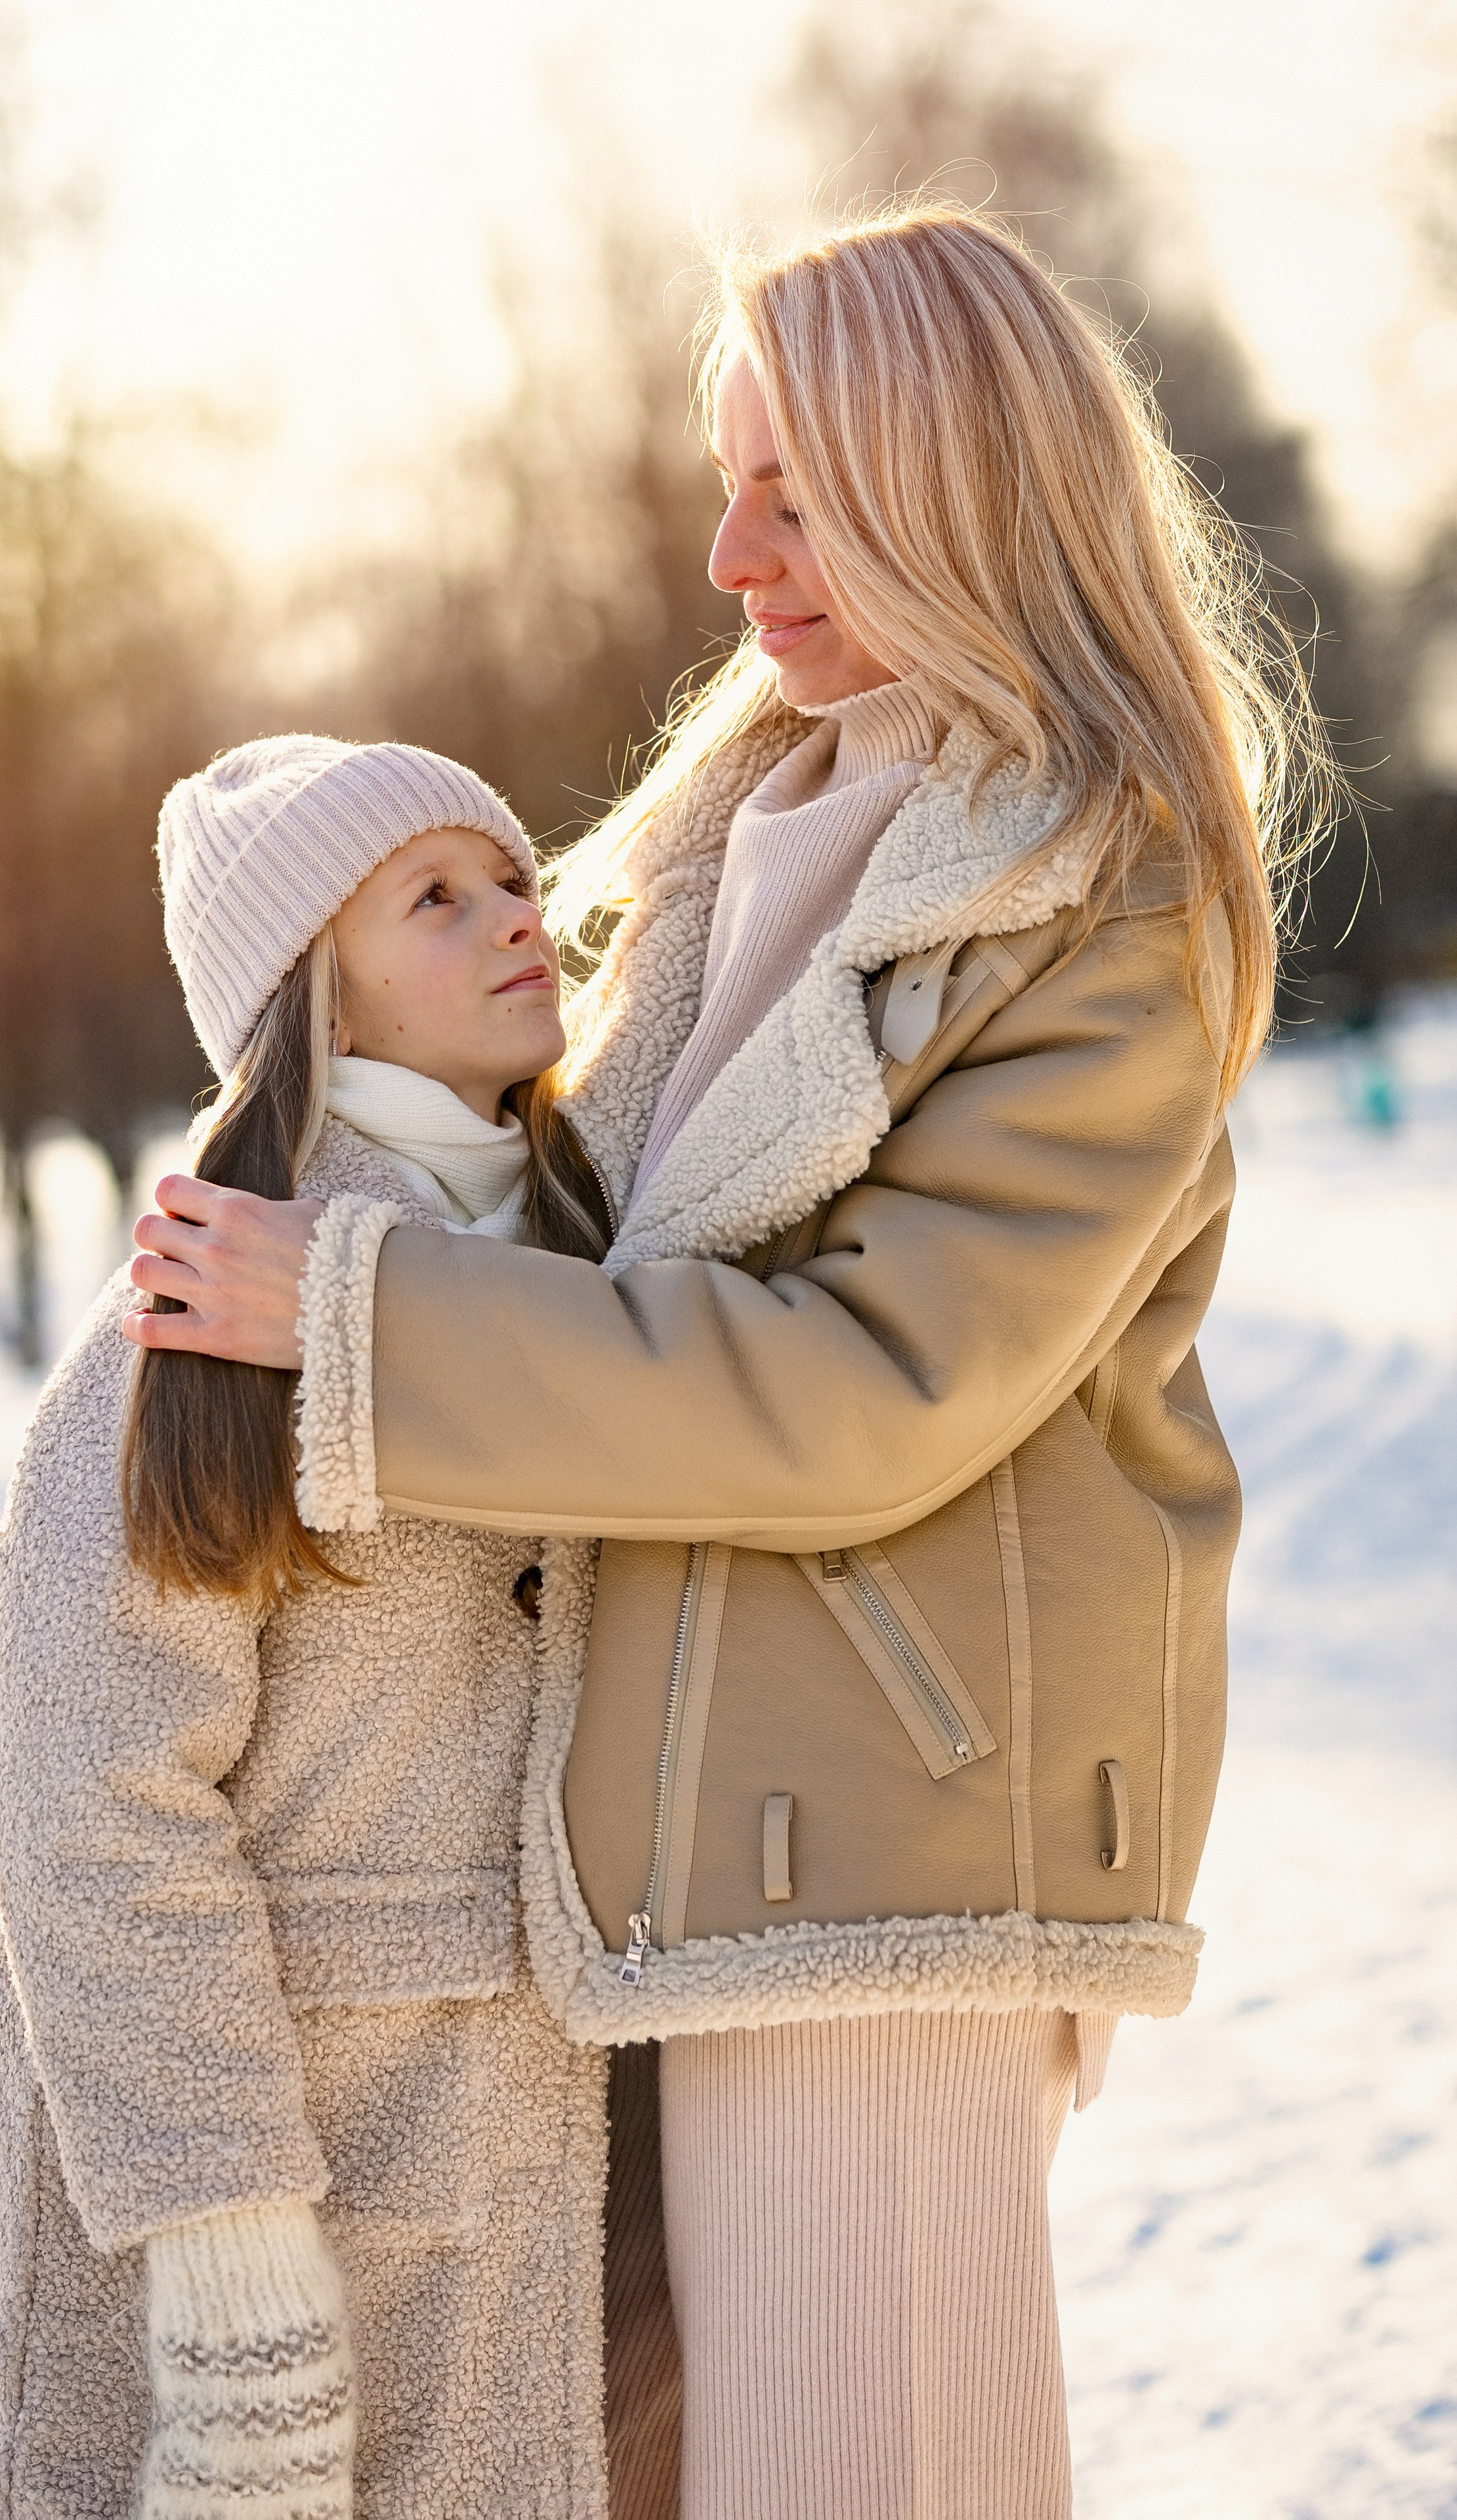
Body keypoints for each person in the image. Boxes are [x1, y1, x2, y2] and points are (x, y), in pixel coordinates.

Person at [123, 205, 1332, 2520]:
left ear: (947, 487)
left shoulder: (1104, 895)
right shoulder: (747, 822)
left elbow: (869, 1382)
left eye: (792, 493)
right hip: (645, 1852)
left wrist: (355, 1319)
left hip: (876, 1838)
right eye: (726, 482)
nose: (723, 554)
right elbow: (588, 1223)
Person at [0, 738, 615, 2520]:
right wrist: (231, 2260)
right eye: (436, 896)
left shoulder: (591, 1255)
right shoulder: (205, 1303)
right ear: (315, 988)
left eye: (516, 877)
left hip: (514, 2133)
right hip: (253, 2179)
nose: (516, 920)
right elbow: (93, 1786)